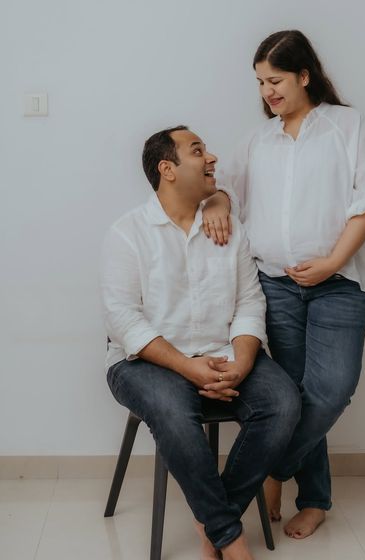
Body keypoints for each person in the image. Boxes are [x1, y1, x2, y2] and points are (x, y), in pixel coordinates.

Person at [202, 29, 365, 539]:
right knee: (293, 393)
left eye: (276, 79)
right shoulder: (257, 140)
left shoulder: (348, 126)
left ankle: (269, 468)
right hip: (275, 285)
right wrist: (218, 202)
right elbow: (221, 192)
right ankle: (317, 499)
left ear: (304, 75)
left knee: (330, 391)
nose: (267, 92)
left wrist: (331, 262)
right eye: (261, 82)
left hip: (342, 283)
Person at [101, 125, 301, 560]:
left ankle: (213, 518)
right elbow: (122, 320)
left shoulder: (229, 229)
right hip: (142, 362)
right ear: (167, 169)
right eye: (198, 151)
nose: (211, 158)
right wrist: (186, 367)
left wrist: (244, 361)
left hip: (225, 353)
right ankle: (229, 538)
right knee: (174, 408)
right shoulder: (127, 233)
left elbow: (250, 303)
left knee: (283, 403)